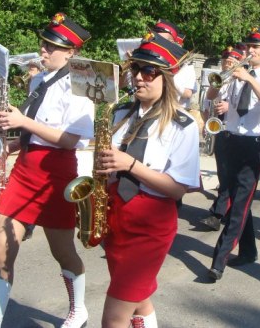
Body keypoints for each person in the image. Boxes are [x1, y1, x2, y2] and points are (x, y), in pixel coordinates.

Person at [0, 13, 94, 328]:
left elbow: (71, 139)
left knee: (63, 252)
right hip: (25, 168)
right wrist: (14, 144)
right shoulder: (37, 79)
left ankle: (78, 309)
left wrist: (23, 122)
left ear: (71, 52)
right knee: (0, 248)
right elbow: (36, 131)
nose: (42, 51)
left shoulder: (81, 83)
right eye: (43, 44)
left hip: (56, 173)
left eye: (50, 46)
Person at [96, 32, 200, 328]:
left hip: (150, 225)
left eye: (149, 71)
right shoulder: (119, 114)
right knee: (138, 299)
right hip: (116, 214)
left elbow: (177, 189)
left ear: (166, 78)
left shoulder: (184, 124)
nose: (139, 78)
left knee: (114, 318)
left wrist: (130, 164)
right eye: (135, 70)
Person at [207, 27, 260, 281]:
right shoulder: (236, 73)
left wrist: (251, 80)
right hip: (230, 139)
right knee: (235, 198)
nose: (249, 51)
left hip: (253, 144)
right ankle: (248, 251)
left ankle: (219, 260)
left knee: (239, 203)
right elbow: (212, 95)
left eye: (255, 48)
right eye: (248, 47)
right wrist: (220, 84)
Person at [199, 46, 247, 231]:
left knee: (230, 176)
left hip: (237, 133)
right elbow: (209, 100)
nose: (227, 62)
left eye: (231, 60)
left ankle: (217, 214)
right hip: (220, 131)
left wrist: (230, 107)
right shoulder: (221, 81)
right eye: (225, 60)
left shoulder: (244, 81)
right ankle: (227, 212)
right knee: (224, 174)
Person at [151, 20, 197, 110]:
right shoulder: (150, 60)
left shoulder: (187, 67)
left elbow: (188, 93)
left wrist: (167, 75)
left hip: (173, 111)